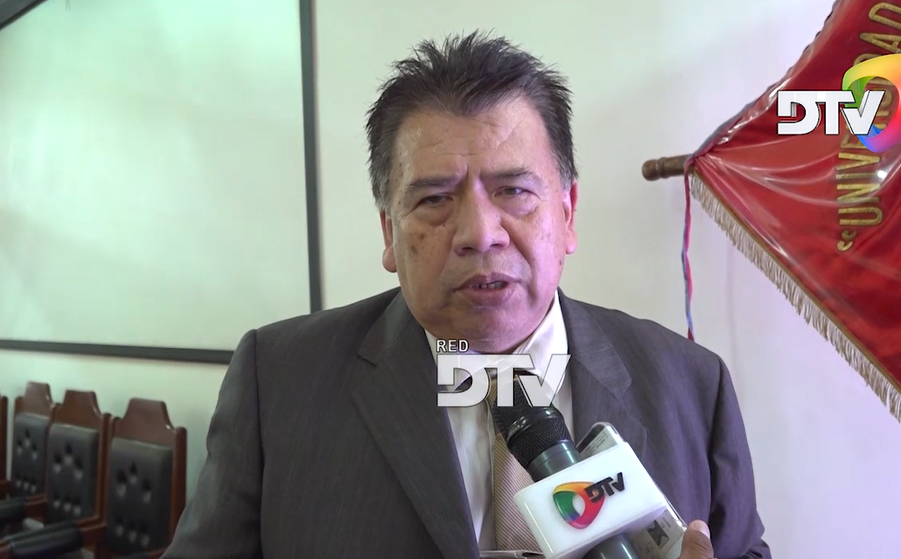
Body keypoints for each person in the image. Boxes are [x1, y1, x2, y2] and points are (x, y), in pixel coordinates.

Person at [162, 30, 771, 559]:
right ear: (389, 234)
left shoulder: (693, 385)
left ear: (567, 212)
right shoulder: (279, 382)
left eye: (514, 191)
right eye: (434, 199)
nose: (480, 233)